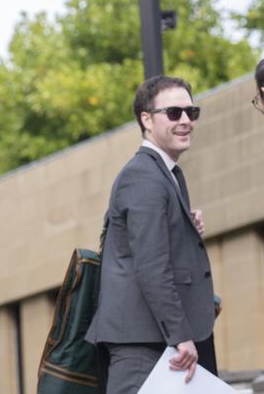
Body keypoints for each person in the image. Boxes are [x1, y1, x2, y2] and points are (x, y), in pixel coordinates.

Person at [85, 75, 217, 394]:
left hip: (154, 344)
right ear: (146, 119)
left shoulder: (164, 174)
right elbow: (151, 267)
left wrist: (185, 229)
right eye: (174, 113)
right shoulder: (144, 176)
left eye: (191, 112)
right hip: (142, 347)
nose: (185, 120)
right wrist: (180, 335)